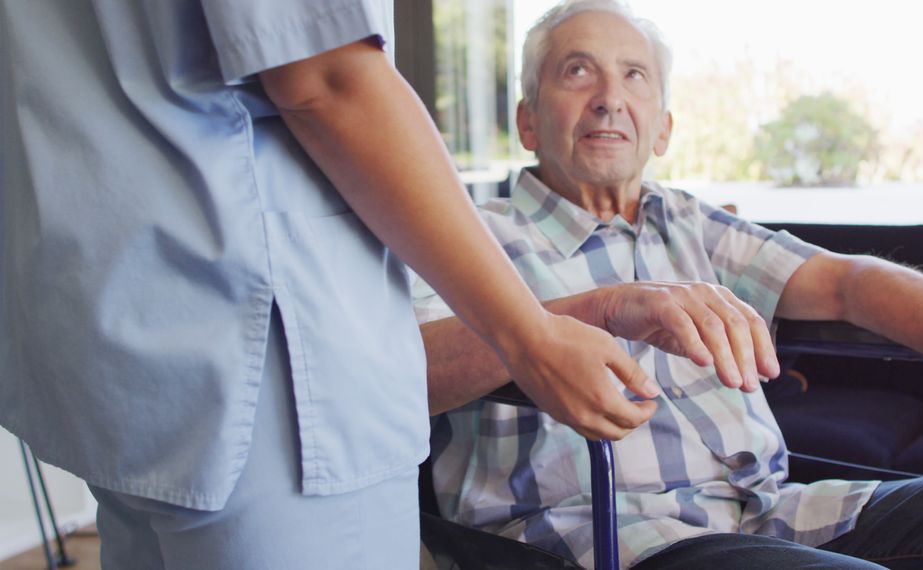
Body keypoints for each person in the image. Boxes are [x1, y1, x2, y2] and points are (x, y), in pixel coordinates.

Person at [412, 0, 923, 567]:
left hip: (767, 512)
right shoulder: (470, 237)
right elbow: (404, 372)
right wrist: (603, 309)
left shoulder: (690, 224)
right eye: (577, 70)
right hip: (605, 534)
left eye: (634, 75)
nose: (610, 97)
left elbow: (850, 283)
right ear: (528, 120)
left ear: (663, 129)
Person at [0, 1, 660, 568]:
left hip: (126, 324)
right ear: (527, 118)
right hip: (266, 366)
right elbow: (327, 77)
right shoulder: (504, 227)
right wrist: (531, 335)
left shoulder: (688, 224)